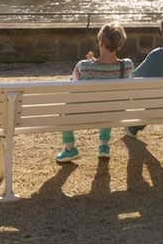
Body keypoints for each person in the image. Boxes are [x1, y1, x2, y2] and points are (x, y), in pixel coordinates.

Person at [56, 22, 134, 163]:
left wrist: (90, 63)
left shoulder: (84, 66)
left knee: (63, 112)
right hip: (114, 113)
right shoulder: (127, 65)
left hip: (85, 114)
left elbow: (71, 85)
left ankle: (69, 149)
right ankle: (104, 146)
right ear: (120, 45)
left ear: (100, 41)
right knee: (109, 102)